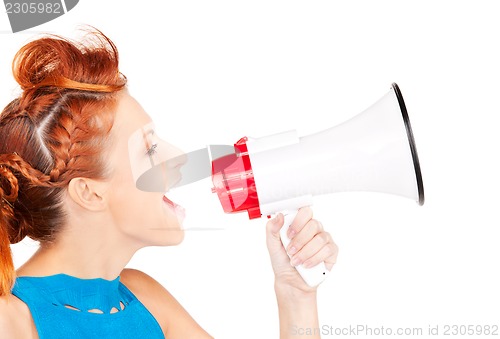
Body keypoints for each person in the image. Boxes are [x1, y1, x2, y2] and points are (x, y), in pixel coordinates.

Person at [0, 28, 338, 338]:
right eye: (149, 148)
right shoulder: (11, 319)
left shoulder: (145, 300)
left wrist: (296, 295)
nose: (177, 157)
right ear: (89, 192)